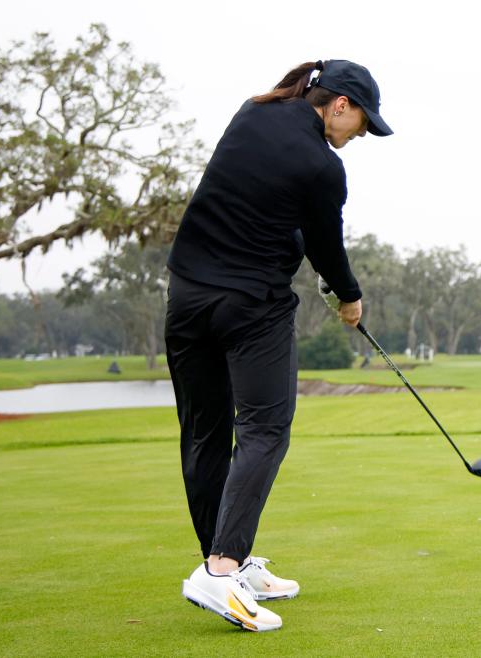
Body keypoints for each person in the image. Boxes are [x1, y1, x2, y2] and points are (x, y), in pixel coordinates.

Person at [164, 59, 392, 632]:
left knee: (205, 431)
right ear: (339, 103)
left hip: (188, 297)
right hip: (251, 307)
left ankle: (226, 562)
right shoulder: (323, 165)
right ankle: (220, 570)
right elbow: (324, 241)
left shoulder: (252, 113)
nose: (359, 135)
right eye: (361, 123)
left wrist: (304, 255)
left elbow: (257, 205)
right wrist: (349, 295)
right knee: (265, 430)